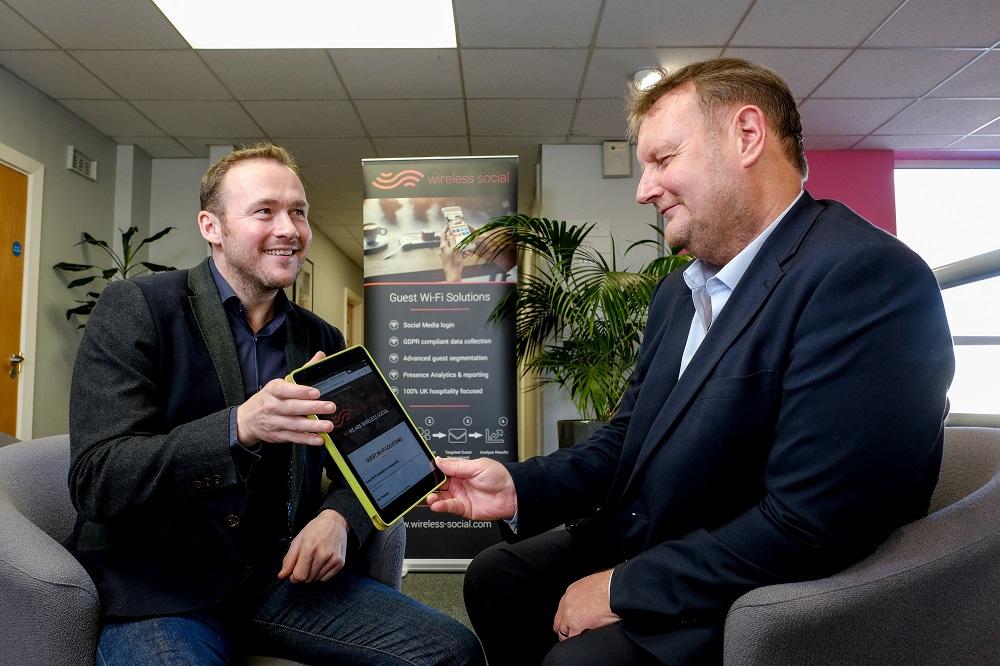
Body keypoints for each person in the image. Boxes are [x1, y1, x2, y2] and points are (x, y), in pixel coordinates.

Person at [426, 58, 955, 665]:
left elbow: (814, 523)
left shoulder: (864, 278)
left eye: (663, 158)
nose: (644, 187)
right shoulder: (679, 293)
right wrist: (518, 487)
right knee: (498, 577)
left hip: (763, 583)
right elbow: (629, 436)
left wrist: (623, 588)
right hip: (661, 536)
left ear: (747, 136)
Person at [67, 143, 483, 665]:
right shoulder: (139, 309)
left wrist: (338, 518)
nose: (289, 228)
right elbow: (98, 479)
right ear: (211, 227)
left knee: (452, 651)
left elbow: (384, 469)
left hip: (275, 578)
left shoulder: (321, 338)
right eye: (265, 211)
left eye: (298, 212)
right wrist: (239, 426)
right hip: (160, 590)